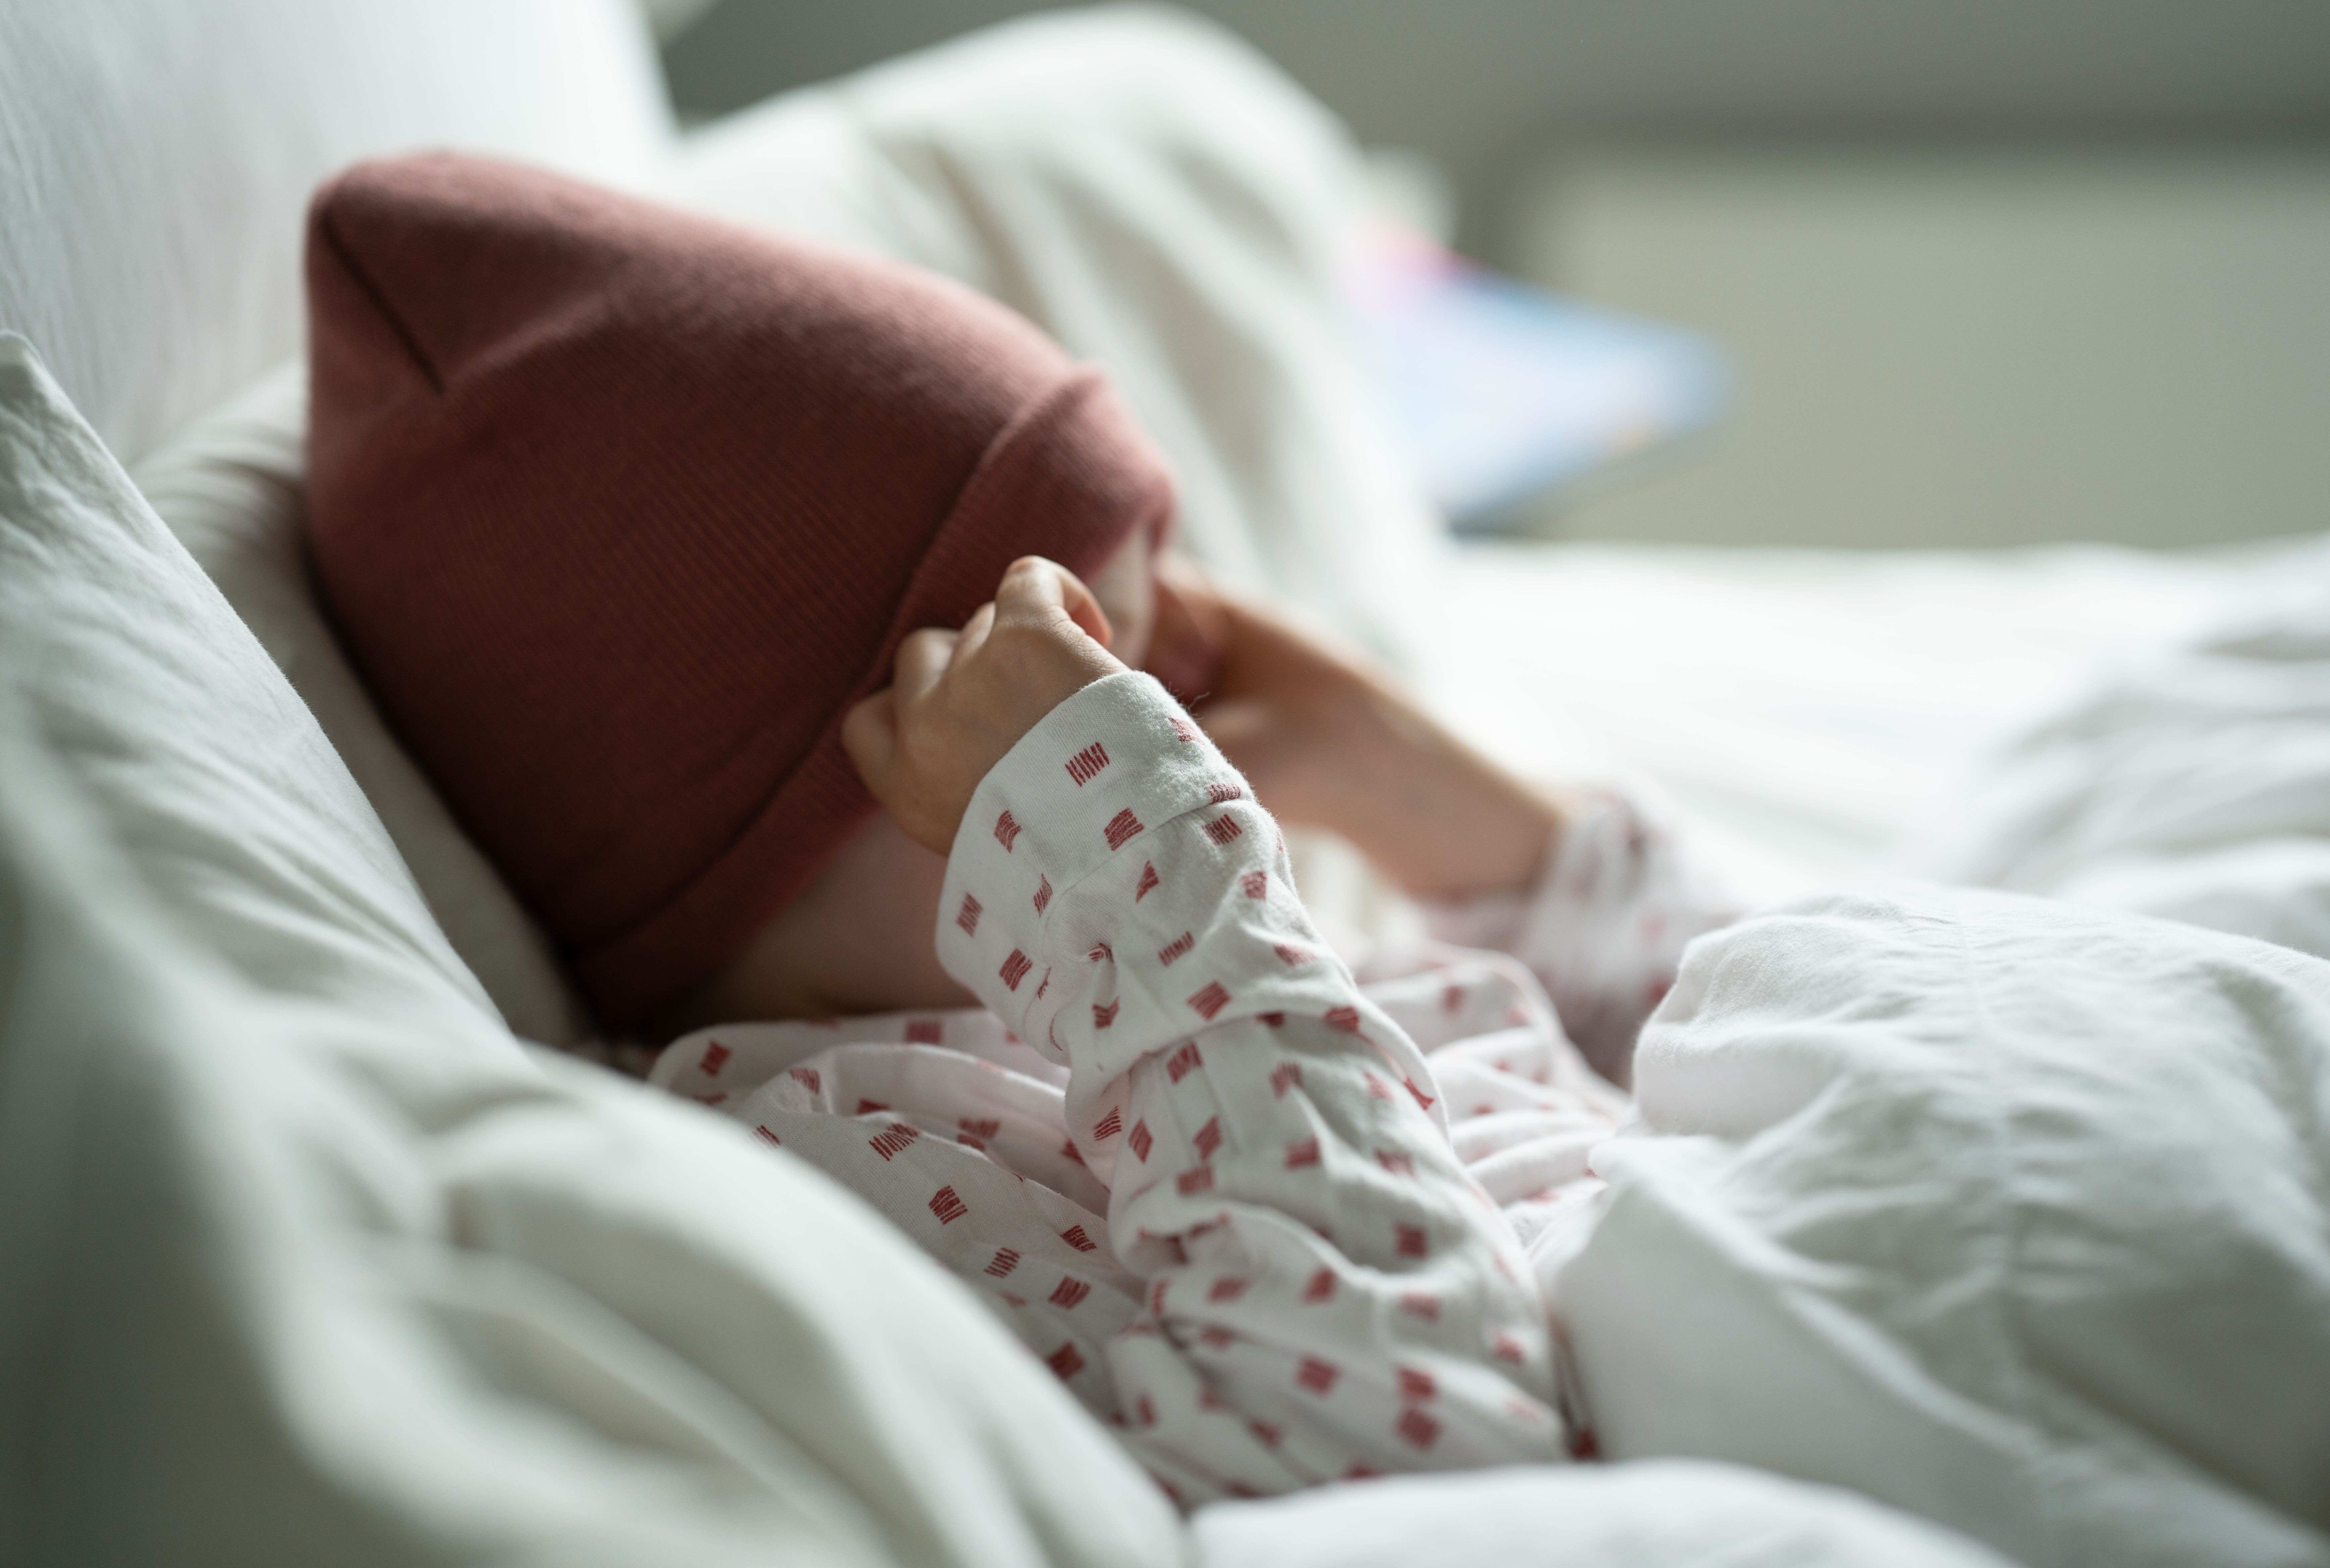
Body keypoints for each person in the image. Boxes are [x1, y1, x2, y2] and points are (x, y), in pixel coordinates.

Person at [302, 151, 1733, 1507]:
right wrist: (1150, 882)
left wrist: (1457, 811)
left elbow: (1745, 1069)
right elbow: (1410, 1485)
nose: (1190, 745)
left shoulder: (1192, 1001)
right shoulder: (832, 1151)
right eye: (1115, 702)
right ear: (774, 832)